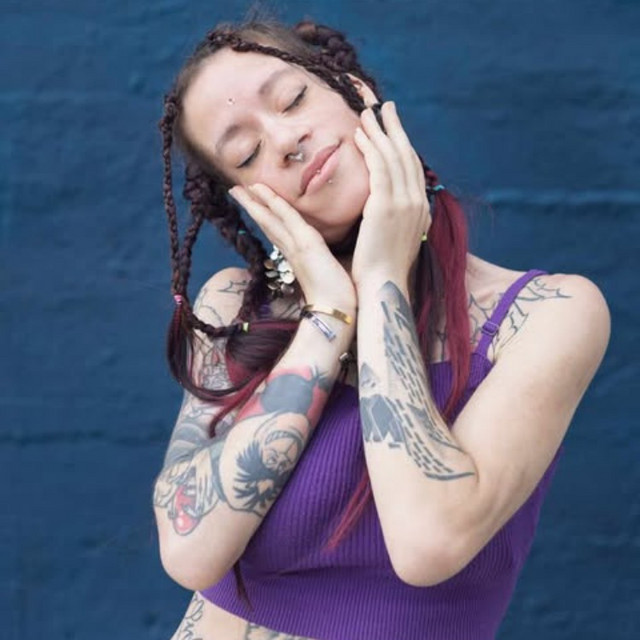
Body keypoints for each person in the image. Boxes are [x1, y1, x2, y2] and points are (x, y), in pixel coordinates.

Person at [152, 18, 611, 640]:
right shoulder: (234, 306)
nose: (285, 140)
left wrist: (382, 280)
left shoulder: (545, 316)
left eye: (293, 99)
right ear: (249, 201)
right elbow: (190, 552)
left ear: (355, 91)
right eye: (247, 154)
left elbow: (428, 541)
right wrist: (328, 316)